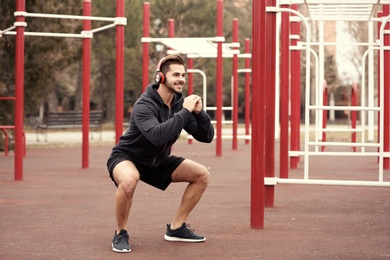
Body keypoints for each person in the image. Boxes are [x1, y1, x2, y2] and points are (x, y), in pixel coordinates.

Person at [106, 54, 214, 253]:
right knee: (129, 181)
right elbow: (157, 136)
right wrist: (185, 112)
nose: (181, 78)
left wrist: (199, 114)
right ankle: (121, 233)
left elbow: (206, 137)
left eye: (183, 74)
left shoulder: (181, 105)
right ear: (161, 78)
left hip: (157, 162)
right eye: (175, 74)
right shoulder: (144, 105)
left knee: (201, 174)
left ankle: (176, 228)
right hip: (127, 158)